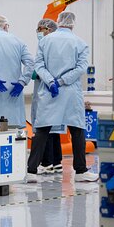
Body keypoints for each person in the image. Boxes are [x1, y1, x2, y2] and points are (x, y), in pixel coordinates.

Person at [26, 12, 98, 182]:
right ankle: (80, 171)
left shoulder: (45, 41)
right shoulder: (80, 43)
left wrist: (51, 82)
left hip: (49, 91)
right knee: (77, 130)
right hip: (71, 92)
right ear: (73, 24)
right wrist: (62, 81)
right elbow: (81, 68)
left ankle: (31, 171)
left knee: (42, 130)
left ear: (57, 21)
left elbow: (39, 65)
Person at [31, 18, 64, 174]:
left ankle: (46, 162)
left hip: (48, 88)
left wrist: (38, 73)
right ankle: (56, 161)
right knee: (53, 126)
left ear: (49, 29)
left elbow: (42, 66)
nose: (39, 32)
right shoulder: (56, 44)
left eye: (41, 29)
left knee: (44, 126)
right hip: (55, 88)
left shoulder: (47, 44)